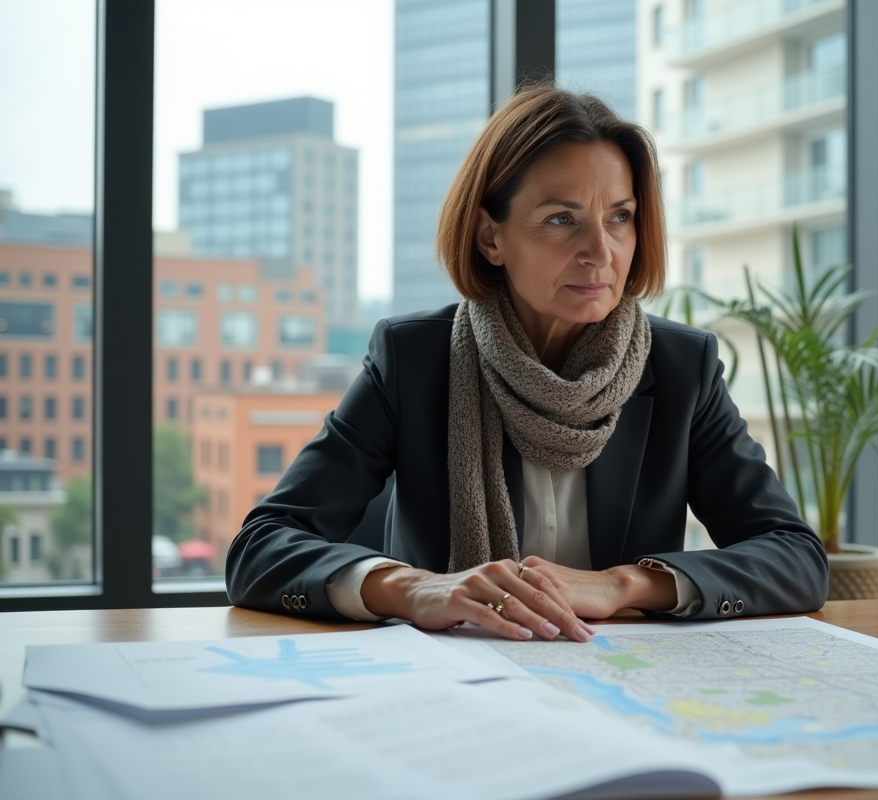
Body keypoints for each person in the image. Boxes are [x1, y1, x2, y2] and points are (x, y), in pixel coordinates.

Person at [225, 86, 828, 643]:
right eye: (562, 219)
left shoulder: (680, 367)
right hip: (457, 684)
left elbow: (795, 557)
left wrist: (626, 584)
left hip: (623, 684)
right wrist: (413, 587)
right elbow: (260, 548)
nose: (601, 251)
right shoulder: (412, 359)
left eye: (620, 217)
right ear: (491, 238)